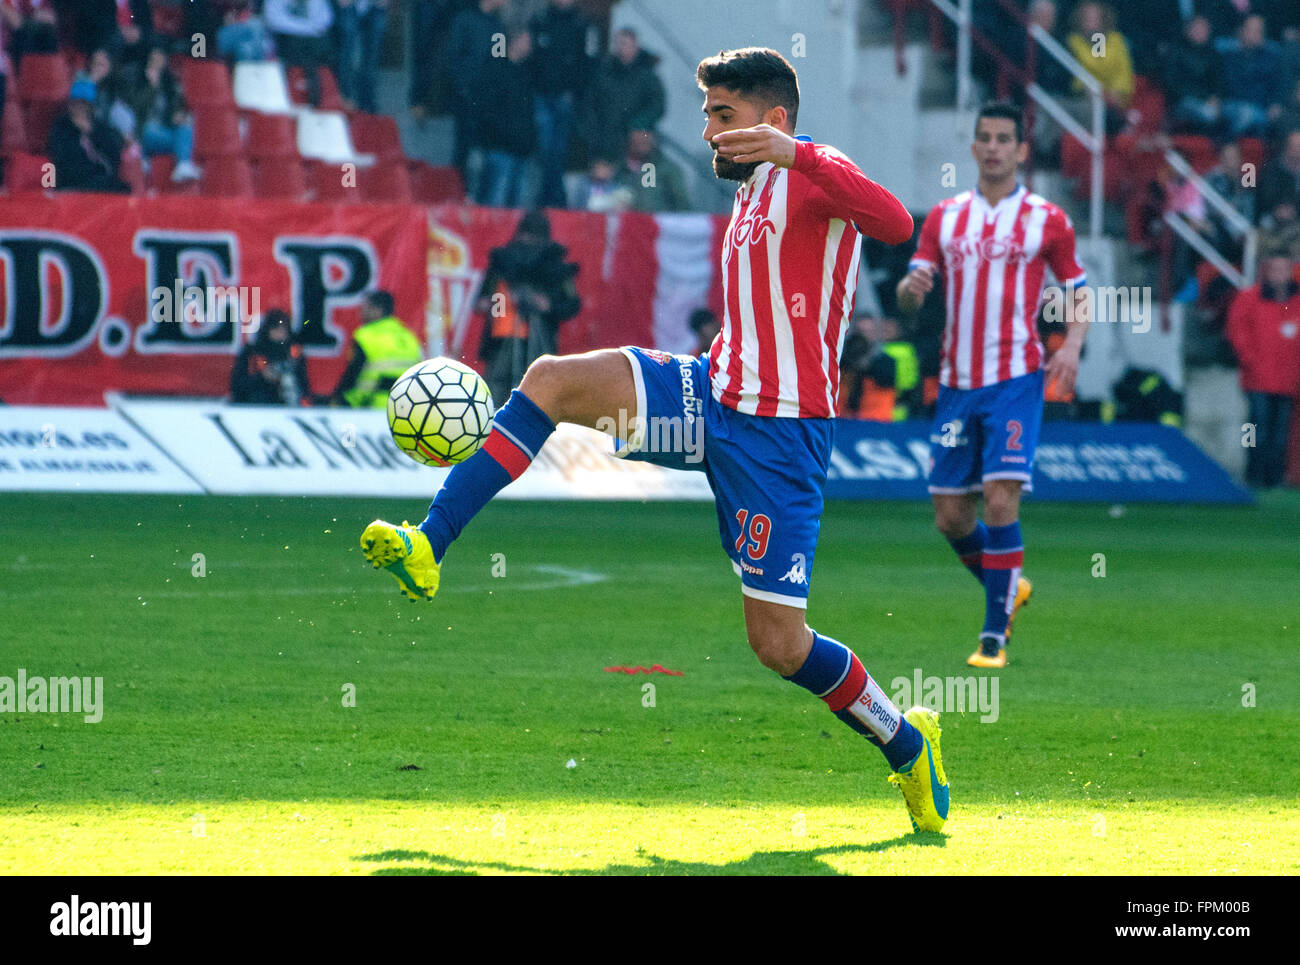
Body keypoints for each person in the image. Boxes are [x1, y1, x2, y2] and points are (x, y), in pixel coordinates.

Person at [357, 47, 950, 834]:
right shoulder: (748, 193)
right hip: (708, 396)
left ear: (772, 119)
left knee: (777, 643)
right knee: (549, 380)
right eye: (707, 115)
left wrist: (796, 153)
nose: (708, 132)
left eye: (723, 116)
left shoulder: (817, 169)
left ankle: (909, 744)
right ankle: (429, 541)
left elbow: (898, 222)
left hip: (781, 436)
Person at [897, 102, 1089, 669]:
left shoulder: (1047, 219)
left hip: (1015, 376)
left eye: (1005, 138)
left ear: (1022, 150)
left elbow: (1077, 287)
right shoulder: (945, 217)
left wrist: (1072, 346)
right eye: (985, 138)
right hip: (957, 381)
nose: (995, 147)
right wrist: (911, 289)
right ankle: (1009, 586)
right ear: (975, 147)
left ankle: (992, 638)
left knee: (1002, 498)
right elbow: (914, 290)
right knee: (950, 515)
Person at [475, 209, 580, 405]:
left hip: (538, 342)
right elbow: (481, 302)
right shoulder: (503, 263)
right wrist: (499, 302)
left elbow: (572, 305)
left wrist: (546, 304)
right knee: (496, 394)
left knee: (534, 397)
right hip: (501, 340)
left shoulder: (554, 266)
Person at [1226, 249, 1300, 488]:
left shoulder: (1296, 302)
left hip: (1289, 380)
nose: (1279, 275)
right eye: (1275, 270)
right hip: (1256, 378)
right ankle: (1252, 472)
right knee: (1254, 427)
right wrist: (1250, 359)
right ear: (1265, 272)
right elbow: (1237, 331)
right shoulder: (1249, 298)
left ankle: (1274, 476)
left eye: (1284, 270)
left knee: (1280, 434)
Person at [528, 0, 592, 209]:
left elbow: (585, 63)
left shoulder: (581, 26)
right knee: (545, 149)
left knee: (558, 151)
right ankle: (550, 199)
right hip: (542, 96)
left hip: (565, 97)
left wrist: (576, 93)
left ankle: (552, 201)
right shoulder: (540, 22)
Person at [580, 27, 666, 166]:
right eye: (621, 44)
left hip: (634, 144)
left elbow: (657, 105)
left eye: (628, 44)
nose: (624, 49)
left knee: (637, 183)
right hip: (605, 143)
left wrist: (638, 123)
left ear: (636, 47)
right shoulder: (603, 72)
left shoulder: (647, 76)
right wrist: (592, 134)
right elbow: (589, 104)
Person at [119, 45, 200, 182]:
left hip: (165, 131)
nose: (157, 64)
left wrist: (177, 116)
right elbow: (136, 109)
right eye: (153, 60)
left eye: (160, 60)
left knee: (186, 127)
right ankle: (182, 156)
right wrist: (151, 87)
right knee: (152, 130)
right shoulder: (136, 83)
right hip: (142, 132)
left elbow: (175, 110)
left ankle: (183, 165)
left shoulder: (170, 86)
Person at [474, 29, 535, 209]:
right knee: (496, 204)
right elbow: (487, 110)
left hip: (521, 150)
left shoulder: (526, 72)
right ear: (514, 41)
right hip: (500, 149)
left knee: (517, 207)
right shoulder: (495, 70)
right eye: (526, 40)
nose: (530, 46)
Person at [330, 290, 423, 408]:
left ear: (377, 310)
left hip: (373, 406)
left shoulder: (365, 336)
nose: (361, 313)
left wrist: (340, 400)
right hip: (406, 407)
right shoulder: (409, 336)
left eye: (365, 308)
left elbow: (353, 375)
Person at [45, 79, 130, 193]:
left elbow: (113, 152)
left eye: (84, 103)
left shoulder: (100, 127)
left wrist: (91, 133)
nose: (80, 107)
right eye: (76, 103)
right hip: (74, 182)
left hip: (102, 180)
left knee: (122, 189)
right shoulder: (61, 127)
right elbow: (62, 159)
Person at [230, 309, 312, 405]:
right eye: (276, 329)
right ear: (268, 330)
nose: (280, 334)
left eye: (284, 330)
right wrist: (262, 377)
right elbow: (237, 385)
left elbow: (303, 384)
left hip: (287, 403)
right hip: (256, 403)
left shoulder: (294, 353)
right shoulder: (252, 353)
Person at [264, 0, 334, 108]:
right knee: (300, 45)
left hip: (310, 39)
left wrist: (304, 29)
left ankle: (317, 99)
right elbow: (274, 20)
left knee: (322, 45)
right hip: (286, 37)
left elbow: (325, 20)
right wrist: (306, 28)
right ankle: (292, 96)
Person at [335, 0, 387, 113]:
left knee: (371, 58)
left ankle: (367, 102)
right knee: (346, 55)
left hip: (375, 6)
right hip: (349, 5)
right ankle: (346, 99)